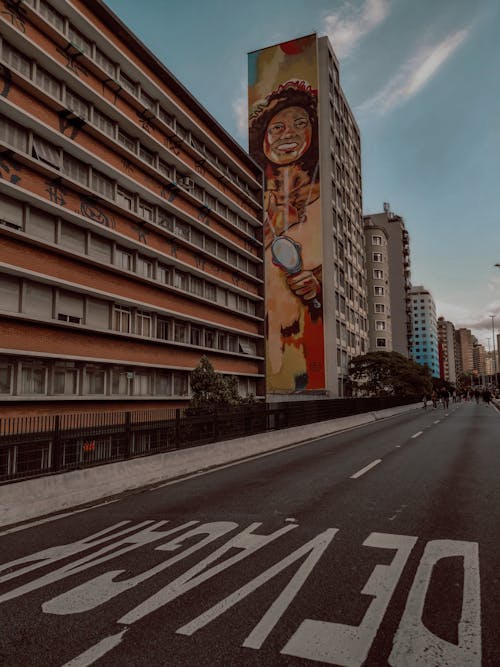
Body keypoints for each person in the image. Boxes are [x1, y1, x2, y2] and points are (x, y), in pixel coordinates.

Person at [249, 80, 323, 390]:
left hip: (305, 334)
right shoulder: (254, 191)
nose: (288, 133)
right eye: (277, 128)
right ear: (264, 139)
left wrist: (317, 284)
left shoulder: (320, 195)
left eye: (299, 123)